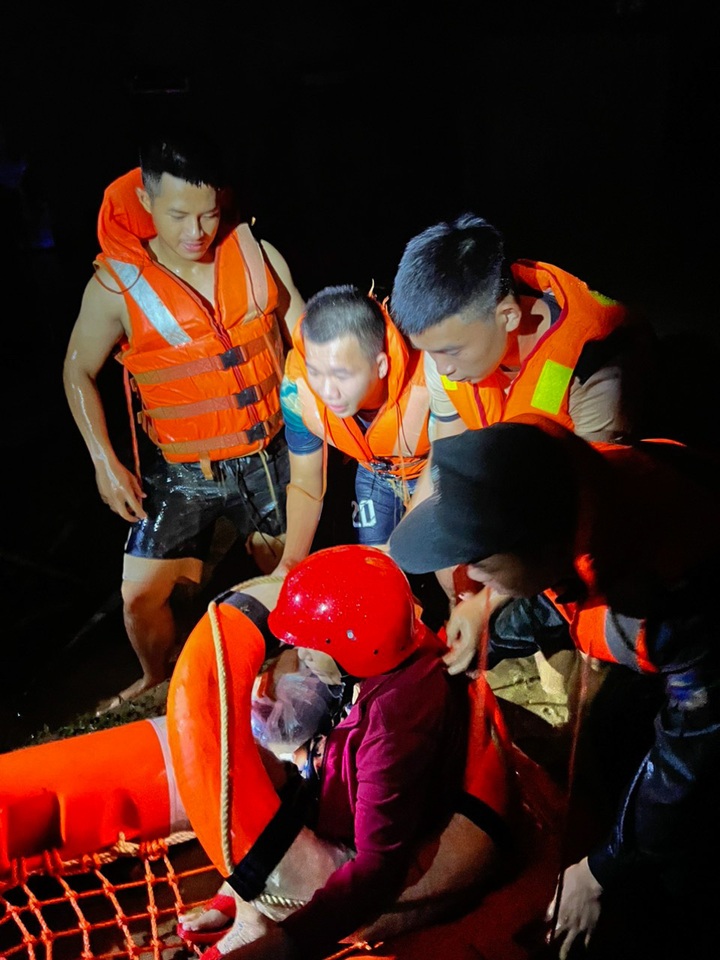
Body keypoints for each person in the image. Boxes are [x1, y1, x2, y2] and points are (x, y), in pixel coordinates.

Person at [388, 414, 720, 958]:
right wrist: (485, 616)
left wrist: (604, 866)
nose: (471, 580)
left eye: (482, 568)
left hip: (704, 679)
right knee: (610, 741)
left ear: (535, 549)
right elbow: (551, 595)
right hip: (643, 630)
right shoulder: (561, 484)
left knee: (680, 840)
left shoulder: (669, 592)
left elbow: (694, 749)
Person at [170, 545, 539, 960]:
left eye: (310, 645)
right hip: (341, 787)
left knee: (265, 830)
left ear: (355, 645)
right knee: (268, 774)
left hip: (362, 846)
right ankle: (242, 896)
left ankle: (257, 909)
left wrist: (291, 941)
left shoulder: (395, 726)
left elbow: (377, 864)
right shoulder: (394, 654)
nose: (301, 653)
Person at [63, 130, 305, 706]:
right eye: (178, 216)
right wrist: (105, 462)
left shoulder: (258, 256)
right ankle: (155, 676)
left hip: (268, 452)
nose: (196, 233)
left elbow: (310, 341)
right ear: (146, 202)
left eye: (208, 215)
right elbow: (76, 370)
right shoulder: (114, 285)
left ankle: (291, 665)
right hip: (183, 467)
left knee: (284, 569)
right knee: (139, 595)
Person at [389, 212, 656, 680]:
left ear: (507, 315)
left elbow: (581, 518)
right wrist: (420, 555)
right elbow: (445, 452)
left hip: (585, 520)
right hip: (515, 493)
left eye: (450, 352)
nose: (441, 369)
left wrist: (485, 604)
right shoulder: (445, 351)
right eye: (429, 353)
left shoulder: (595, 369)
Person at [272, 284, 430, 578]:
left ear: (381, 365)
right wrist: (291, 561)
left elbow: (455, 468)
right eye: (315, 372)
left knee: (455, 578)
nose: (327, 391)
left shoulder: (433, 377)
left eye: (341, 375)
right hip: (375, 474)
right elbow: (307, 481)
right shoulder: (298, 389)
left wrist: (403, 543)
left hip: (434, 471)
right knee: (374, 575)